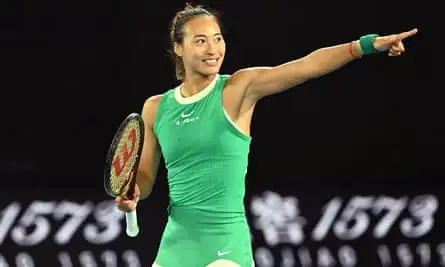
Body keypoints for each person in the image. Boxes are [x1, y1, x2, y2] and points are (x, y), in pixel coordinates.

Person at [115, 3, 417, 267]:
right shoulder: (155, 108)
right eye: (201, 41)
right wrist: (133, 194)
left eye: (218, 39)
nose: (213, 49)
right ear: (178, 47)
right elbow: (143, 178)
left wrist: (365, 45)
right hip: (176, 246)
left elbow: (306, 66)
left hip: (226, 246)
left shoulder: (238, 89)